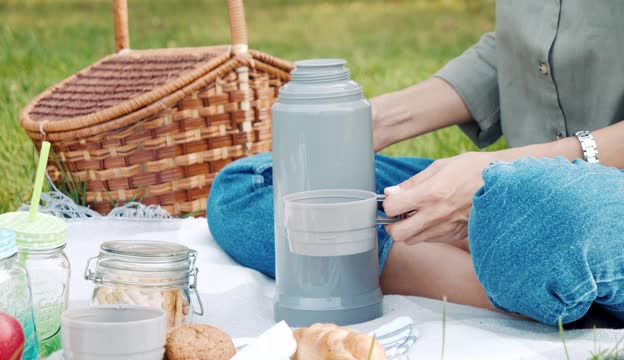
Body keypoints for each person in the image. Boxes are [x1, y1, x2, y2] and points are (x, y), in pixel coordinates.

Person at [207, 1, 624, 325]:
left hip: (586, 200)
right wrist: (371, 121)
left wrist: (490, 173)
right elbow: (518, 51)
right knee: (250, 188)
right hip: (517, 188)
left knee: (549, 220)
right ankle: (539, 288)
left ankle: (540, 268)